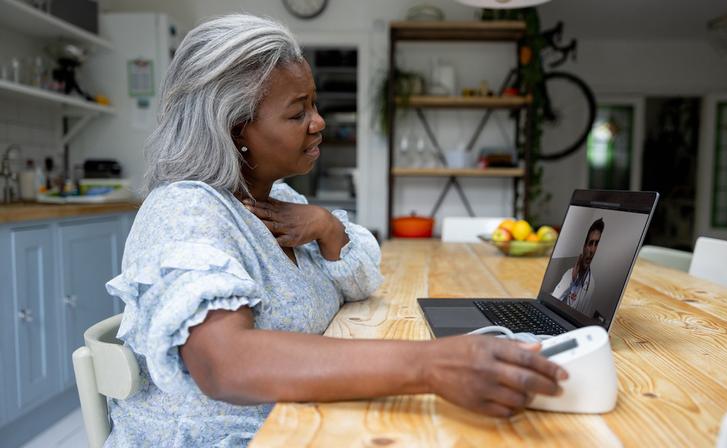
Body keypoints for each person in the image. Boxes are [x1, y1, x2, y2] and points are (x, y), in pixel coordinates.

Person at [104, 14, 568, 446]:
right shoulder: (186, 212)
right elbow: (224, 364)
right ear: (235, 129)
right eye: (296, 112)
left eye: (315, 104)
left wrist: (327, 226)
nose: (318, 122)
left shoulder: (280, 200)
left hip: (300, 421)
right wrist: (431, 364)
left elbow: (360, 278)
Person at [552, 218, 604, 315]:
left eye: (596, 244)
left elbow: (584, 316)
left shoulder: (591, 284)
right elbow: (552, 301)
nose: (592, 250)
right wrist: (571, 280)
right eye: (590, 243)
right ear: (584, 246)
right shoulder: (569, 273)